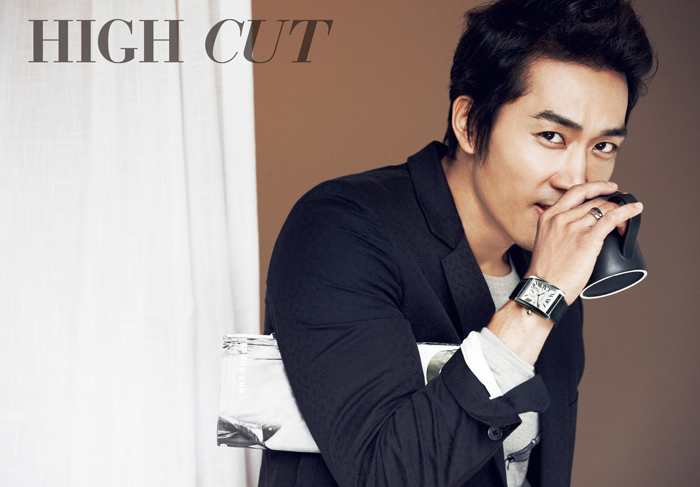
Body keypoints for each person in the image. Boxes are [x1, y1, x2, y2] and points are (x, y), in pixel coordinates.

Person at [258, 0, 655, 485]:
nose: (576, 179)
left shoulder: (551, 265)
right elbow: (385, 474)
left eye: (604, 146)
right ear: (468, 122)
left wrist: (548, 288)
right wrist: (540, 298)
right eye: (552, 136)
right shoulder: (339, 228)